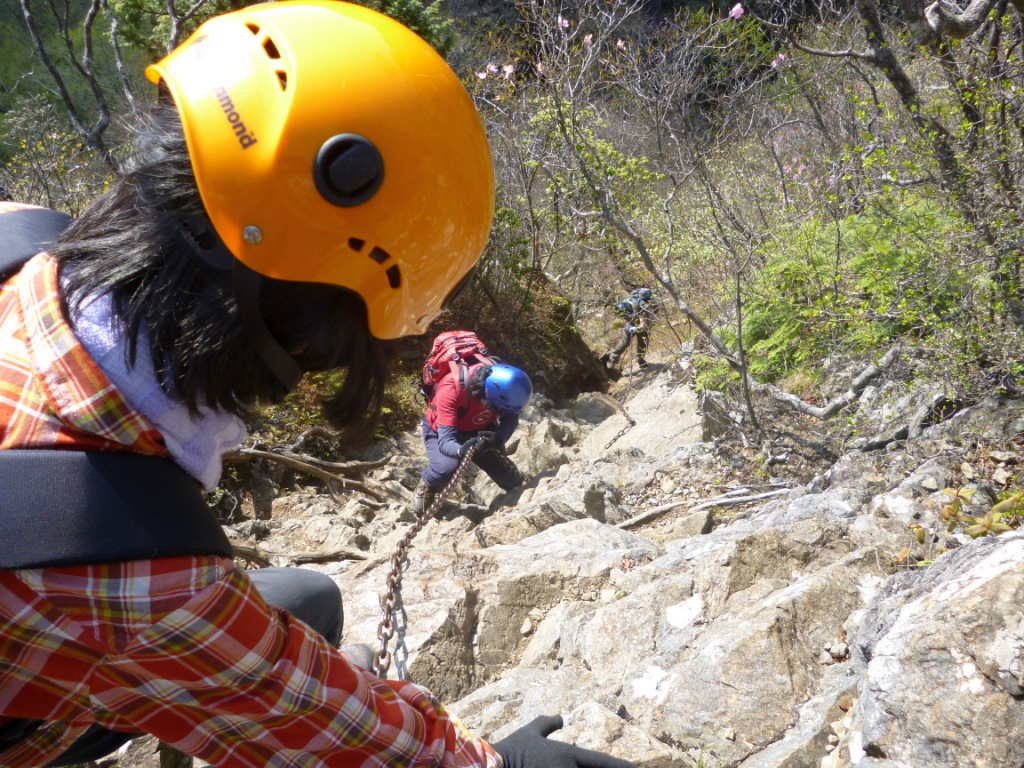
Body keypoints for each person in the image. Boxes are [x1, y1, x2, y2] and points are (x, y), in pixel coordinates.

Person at [0, 3, 634, 768]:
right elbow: (380, 752)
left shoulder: (21, 236)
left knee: (308, 600)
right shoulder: (131, 577)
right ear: (306, 329)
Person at [414, 362, 532, 513]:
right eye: (497, 409)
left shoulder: (505, 388)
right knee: (445, 469)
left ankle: (512, 482)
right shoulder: (451, 390)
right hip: (442, 431)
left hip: (480, 429)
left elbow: (511, 418)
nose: (499, 413)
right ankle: (428, 484)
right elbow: (445, 441)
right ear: (487, 395)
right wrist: (461, 450)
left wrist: (498, 438)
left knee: (507, 475)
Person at [604, 287, 657, 371]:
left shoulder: (640, 306)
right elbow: (627, 318)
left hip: (644, 321)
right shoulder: (625, 303)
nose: (624, 318)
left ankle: (641, 360)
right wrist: (630, 324)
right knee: (625, 341)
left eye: (625, 316)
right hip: (634, 320)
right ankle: (612, 358)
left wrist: (636, 328)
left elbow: (644, 324)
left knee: (643, 341)